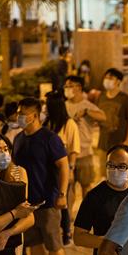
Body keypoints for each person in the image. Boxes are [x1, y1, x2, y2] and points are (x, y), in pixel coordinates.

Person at [12, 97, 72, 255]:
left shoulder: (49, 138)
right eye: (19, 112)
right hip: (27, 204)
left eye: (23, 113)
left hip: (48, 202)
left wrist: (62, 194)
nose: (20, 117)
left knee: (54, 244)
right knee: (34, 244)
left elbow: (64, 166)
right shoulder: (18, 139)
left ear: (35, 116)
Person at [44, 91, 81, 246]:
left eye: (47, 105)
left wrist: (70, 169)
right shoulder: (47, 123)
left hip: (62, 169)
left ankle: (66, 232)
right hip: (47, 170)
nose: (45, 108)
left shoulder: (69, 124)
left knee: (63, 200)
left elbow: (74, 149)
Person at [65, 75, 106, 201]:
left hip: (85, 154)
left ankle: (87, 216)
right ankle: (69, 218)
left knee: (86, 187)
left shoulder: (87, 105)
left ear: (79, 87)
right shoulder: (63, 105)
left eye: (69, 86)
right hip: (67, 154)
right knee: (68, 188)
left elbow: (103, 117)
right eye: (65, 86)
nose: (66, 89)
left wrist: (87, 112)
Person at [96, 68, 128, 167]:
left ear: (118, 81)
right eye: (106, 77)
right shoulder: (101, 96)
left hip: (120, 143)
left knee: (123, 173)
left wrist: (127, 140)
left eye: (110, 78)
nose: (107, 80)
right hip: (103, 143)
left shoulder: (125, 99)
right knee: (104, 172)